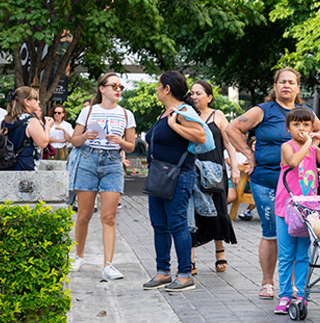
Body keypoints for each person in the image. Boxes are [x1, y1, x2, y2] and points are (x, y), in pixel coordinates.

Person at [226, 68, 320, 299]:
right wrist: (248, 156)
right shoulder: (264, 110)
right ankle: (268, 282)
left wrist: (315, 144)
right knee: (271, 233)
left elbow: (319, 130)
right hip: (267, 182)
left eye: (291, 82)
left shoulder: (305, 112)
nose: (286, 86)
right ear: (275, 86)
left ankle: (291, 286)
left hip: (299, 188)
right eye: (282, 82)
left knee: (296, 233)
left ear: (298, 88)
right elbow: (232, 128)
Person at [142, 71, 207, 292]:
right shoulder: (165, 112)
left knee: (177, 224)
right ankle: (163, 272)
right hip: (159, 174)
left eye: (158, 85)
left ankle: (185, 275)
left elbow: (200, 136)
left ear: (167, 88)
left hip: (178, 175)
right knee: (159, 225)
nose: (157, 89)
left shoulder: (183, 111)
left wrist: (175, 126)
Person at [68, 74, 136, 281]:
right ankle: (78, 256)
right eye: (113, 86)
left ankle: (108, 264)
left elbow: (131, 146)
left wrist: (120, 142)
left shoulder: (126, 114)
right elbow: (74, 141)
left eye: (120, 86)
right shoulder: (88, 111)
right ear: (101, 88)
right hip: (88, 161)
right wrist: (85, 136)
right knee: (84, 214)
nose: (118, 89)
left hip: (113, 163)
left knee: (109, 217)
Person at [274, 107, 320, 315]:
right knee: (286, 254)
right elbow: (293, 161)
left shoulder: (312, 148)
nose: (301, 129)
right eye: (296, 125)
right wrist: (309, 142)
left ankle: (301, 294)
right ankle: (284, 294)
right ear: (288, 127)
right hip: (286, 208)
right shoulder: (287, 146)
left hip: (308, 209)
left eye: (306, 125)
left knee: (303, 254)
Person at [188, 81, 239, 274]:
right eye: (192, 93)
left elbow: (229, 142)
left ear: (209, 97)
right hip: (192, 169)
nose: (194, 96)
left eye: (199, 93)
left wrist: (234, 167)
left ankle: (220, 252)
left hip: (215, 171)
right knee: (191, 213)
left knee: (218, 212)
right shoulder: (186, 115)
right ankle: (190, 259)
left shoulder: (217, 115)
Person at [2, 87, 53, 171]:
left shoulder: (4, 121)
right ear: (27, 102)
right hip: (24, 167)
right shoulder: (31, 121)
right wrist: (48, 127)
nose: (38, 101)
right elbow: (43, 143)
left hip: (5, 167)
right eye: (35, 99)